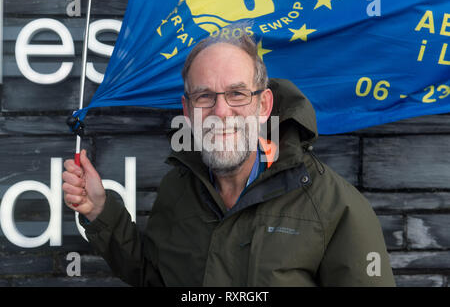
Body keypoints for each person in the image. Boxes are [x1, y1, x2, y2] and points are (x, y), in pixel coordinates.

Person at [62, 27, 396, 287]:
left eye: (237, 94)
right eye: (204, 96)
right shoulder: (177, 190)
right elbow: (156, 277)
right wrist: (101, 210)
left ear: (263, 105)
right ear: (188, 110)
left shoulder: (334, 207)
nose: (221, 112)